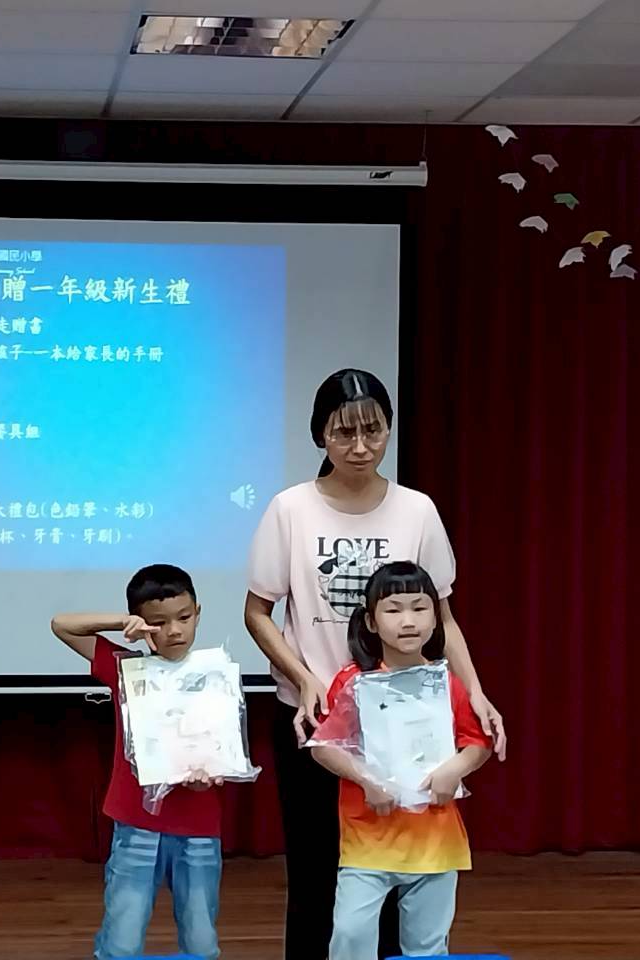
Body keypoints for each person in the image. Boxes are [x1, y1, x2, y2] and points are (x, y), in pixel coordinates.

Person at [244, 368, 506, 959]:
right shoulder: (290, 509)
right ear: (320, 435)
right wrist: (304, 679)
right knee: (317, 867)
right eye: (344, 433)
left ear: (389, 430)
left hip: (404, 716)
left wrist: (476, 691)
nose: (360, 447)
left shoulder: (416, 510)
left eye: (374, 431)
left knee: (399, 867)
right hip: (317, 718)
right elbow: (257, 612)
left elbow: (444, 617)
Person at [311, 561, 492, 959]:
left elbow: (477, 742)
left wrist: (454, 770)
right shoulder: (352, 682)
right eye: (393, 610)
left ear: (435, 617)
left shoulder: (448, 682)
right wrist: (367, 782)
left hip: (435, 840)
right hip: (367, 837)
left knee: (426, 948)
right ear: (371, 621)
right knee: (350, 935)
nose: (408, 621)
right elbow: (324, 745)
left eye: (419, 608)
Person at [51, 564, 223, 960]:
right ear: (141, 624)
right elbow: (62, 625)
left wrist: (211, 773)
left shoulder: (216, 677)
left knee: (201, 940)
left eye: (184, 617)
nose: (174, 631)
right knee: (123, 940)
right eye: (158, 623)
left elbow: (224, 748)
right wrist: (121, 623)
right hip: (136, 822)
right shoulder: (126, 667)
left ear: (198, 613)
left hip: (198, 823)